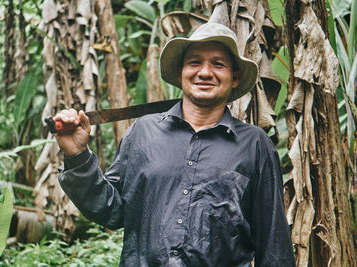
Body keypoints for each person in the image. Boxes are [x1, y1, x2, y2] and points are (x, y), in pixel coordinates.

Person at [54, 22, 295, 266]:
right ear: (180, 73)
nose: (204, 72)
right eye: (194, 62)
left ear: (235, 77)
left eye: (218, 64)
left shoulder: (254, 145)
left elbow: (273, 244)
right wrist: (77, 155)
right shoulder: (143, 132)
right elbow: (111, 210)